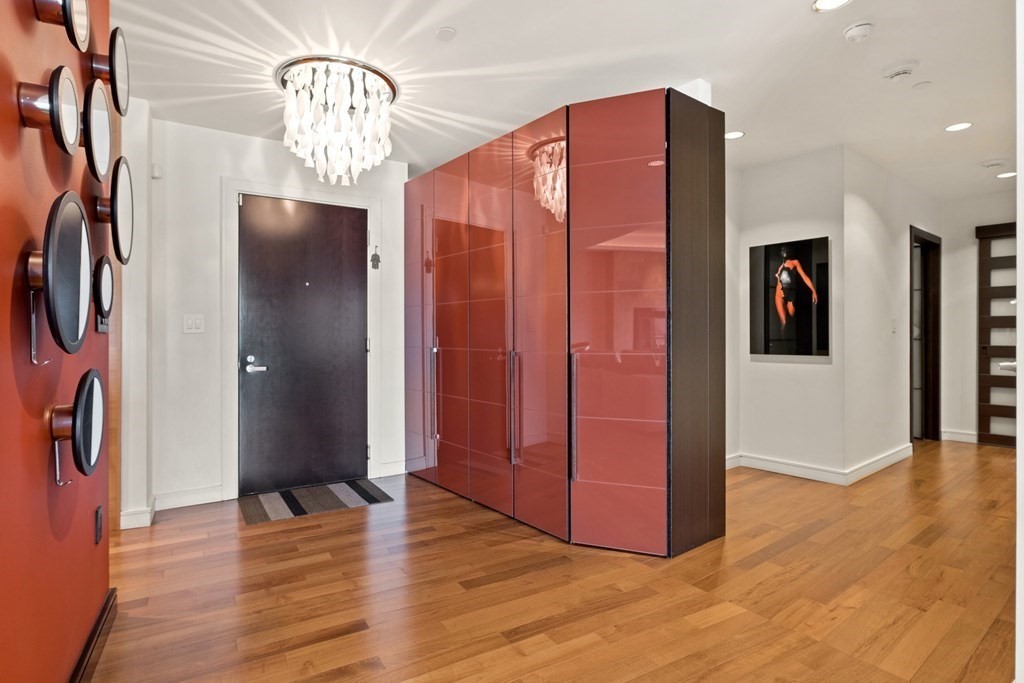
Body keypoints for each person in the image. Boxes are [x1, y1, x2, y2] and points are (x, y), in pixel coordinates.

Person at [775, 246, 817, 329]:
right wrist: (778, 276)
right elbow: (781, 280)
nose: (784, 253)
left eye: (785, 251)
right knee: (784, 322)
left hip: (790, 295)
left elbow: (804, 277)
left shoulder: (795, 262)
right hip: (779, 295)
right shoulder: (780, 267)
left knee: (792, 316)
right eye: (782, 251)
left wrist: (813, 291)